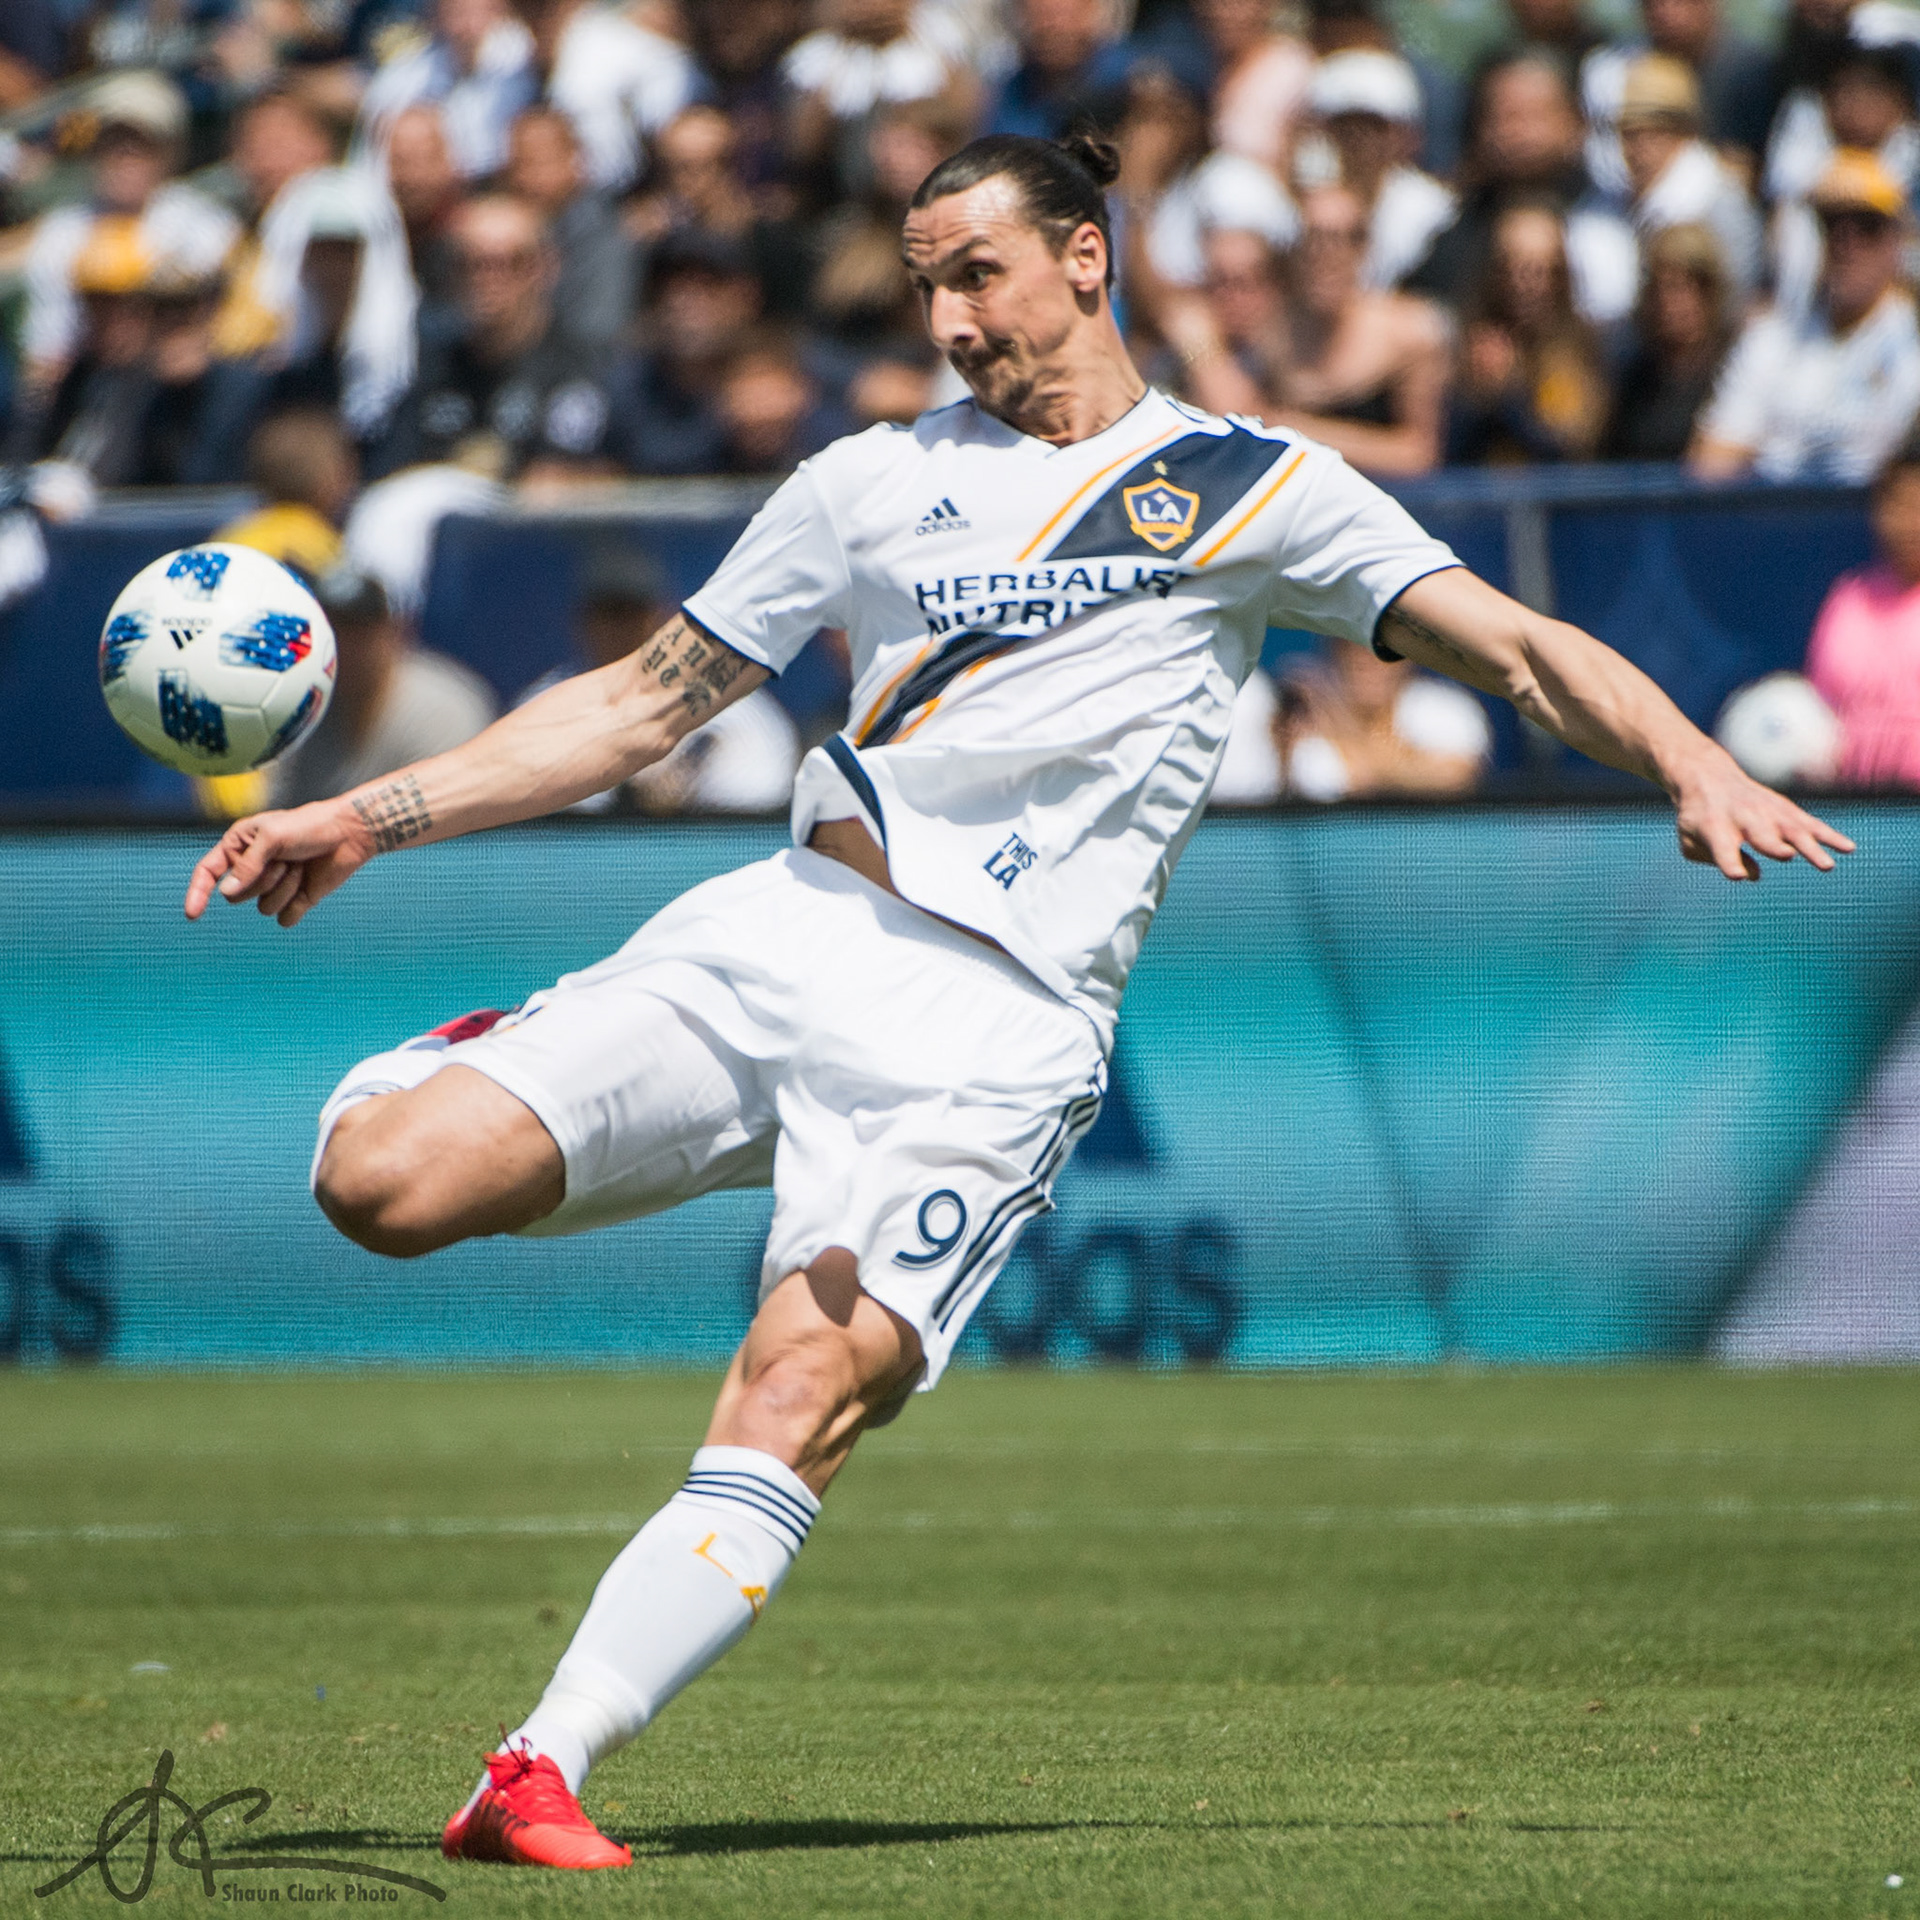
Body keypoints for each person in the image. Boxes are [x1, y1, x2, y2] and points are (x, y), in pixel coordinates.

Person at [181, 129, 1850, 1875]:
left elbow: (1511, 643)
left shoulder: (1249, 485)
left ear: (1084, 259)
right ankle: (471, 1056)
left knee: (806, 1390)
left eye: (977, 271)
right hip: (795, 927)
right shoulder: (864, 482)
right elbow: (634, 708)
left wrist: (1684, 757)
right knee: (380, 1188)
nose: (951, 317)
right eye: (925, 284)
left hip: (998, 1038)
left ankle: (542, 1762)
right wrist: (369, 813)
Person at [1177, 182, 1448, 478]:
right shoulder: (1273, 330)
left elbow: (1419, 453)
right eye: (1312, 238)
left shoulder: (1409, 333)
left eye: (1338, 239)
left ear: (1363, 248)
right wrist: (1199, 346)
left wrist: (1301, 431)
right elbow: (1237, 419)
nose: (1324, 255)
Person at [517, 544, 803, 811]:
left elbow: (754, 812)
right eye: (608, 613)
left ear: (666, 615)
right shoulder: (547, 703)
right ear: (583, 620)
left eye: (634, 611)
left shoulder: (732, 704)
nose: (620, 628)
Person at [1691, 149, 1920, 482]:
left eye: (1867, 226)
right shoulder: (1772, 338)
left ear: (1895, 240)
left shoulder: (1911, 342)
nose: (1847, 242)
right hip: (1775, 523)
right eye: (1832, 224)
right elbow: (1711, 468)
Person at [373, 192, 619, 481]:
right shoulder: (429, 372)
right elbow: (392, 477)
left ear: (546, 268)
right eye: (470, 263)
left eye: (510, 263)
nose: (487, 280)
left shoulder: (591, 371)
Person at [20, 71, 240, 390]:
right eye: (113, 142)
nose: (125, 155)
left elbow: (219, 333)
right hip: (89, 380)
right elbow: (46, 353)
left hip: (176, 390)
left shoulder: (206, 226)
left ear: (169, 151)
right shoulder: (63, 230)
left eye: (140, 143)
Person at [270, 566, 498, 807]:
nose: (343, 645)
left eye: (358, 630)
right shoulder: (304, 710)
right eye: (332, 630)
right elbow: (285, 815)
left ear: (393, 632)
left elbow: (452, 821)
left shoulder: (444, 711)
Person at [1211, 636, 1493, 801]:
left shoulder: (1444, 710)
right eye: (1351, 642)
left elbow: (1454, 776)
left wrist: (1343, 728)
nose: (1365, 658)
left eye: (1383, 647)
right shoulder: (1288, 704)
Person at [1449, 198, 1612, 462]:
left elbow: (1568, 450)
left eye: (1540, 271)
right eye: (1513, 269)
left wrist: (1508, 396)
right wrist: (1477, 395)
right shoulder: (1470, 341)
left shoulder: (1578, 349)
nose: (1525, 285)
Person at [1803, 435, 1920, 786]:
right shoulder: (1849, 596)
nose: (1909, 522)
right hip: (1856, 809)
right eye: (1898, 504)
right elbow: (1820, 705)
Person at [1303, 50, 1456, 293]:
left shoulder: (1429, 209)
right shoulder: (1308, 197)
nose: (1358, 138)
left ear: (1402, 133)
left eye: (1374, 126)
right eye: (1346, 125)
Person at [1613, 54, 1762, 304]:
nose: (1638, 148)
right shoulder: (1625, 201)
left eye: (1654, 131)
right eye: (1629, 134)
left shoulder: (1720, 199)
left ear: (1686, 132)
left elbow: (1738, 295)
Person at [513, 0, 699, 193]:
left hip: (629, 193)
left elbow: (613, 168)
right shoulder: (512, 52)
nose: (534, 8)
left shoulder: (604, 47)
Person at [356, 0, 539, 179]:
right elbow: (371, 168)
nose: (468, 25)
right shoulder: (399, 79)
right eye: (456, 11)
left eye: (476, 9)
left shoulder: (522, 67)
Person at [504, 105, 636, 352]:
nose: (524, 178)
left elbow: (597, 327)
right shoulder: (508, 230)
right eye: (516, 164)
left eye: (537, 162)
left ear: (575, 161)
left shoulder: (603, 235)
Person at [1601, 221, 1735, 458]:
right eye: (1662, 288)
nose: (1671, 303)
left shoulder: (1734, 371)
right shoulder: (1632, 376)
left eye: (1686, 287)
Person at [984, 0, 1135, 142]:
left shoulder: (1132, 80)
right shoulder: (1007, 95)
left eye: (1065, 14)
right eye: (1040, 15)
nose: (1051, 26)